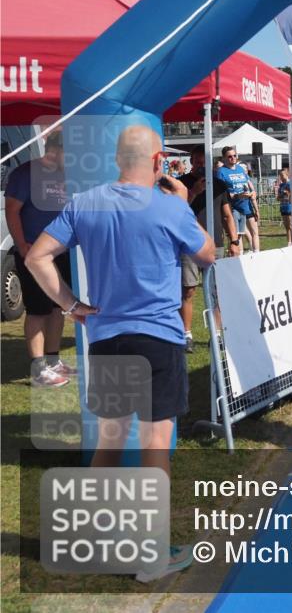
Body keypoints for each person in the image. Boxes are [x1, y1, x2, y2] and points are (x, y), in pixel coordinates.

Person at [25, 125, 215, 579]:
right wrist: (185, 204)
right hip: (159, 337)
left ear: (116, 159)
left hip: (107, 337)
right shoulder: (169, 206)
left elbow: (36, 258)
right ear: (156, 162)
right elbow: (208, 254)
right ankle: (151, 555)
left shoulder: (85, 202)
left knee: (110, 439)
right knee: (155, 443)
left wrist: (71, 305)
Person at [3, 132, 75, 387]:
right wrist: (22, 246)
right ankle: (38, 369)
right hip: (34, 254)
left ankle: (53, 361)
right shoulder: (25, 174)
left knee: (58, 308)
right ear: (53, 148)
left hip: (62, 252)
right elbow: (12, 210)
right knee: (38, 310)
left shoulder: (68, 174)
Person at [178, 148, 241, 352]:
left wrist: (234, 240)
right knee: (188, 289)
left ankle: (217, 334)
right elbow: (176, 211)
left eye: (203, 162)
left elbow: (227, 216)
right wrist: (194, 191)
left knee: (216, 292)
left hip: (216, 244)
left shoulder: (219, 184)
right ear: (191, 162)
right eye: (196, 162)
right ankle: (186, 334)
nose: (200, 165)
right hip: (189, 244)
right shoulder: (180, 184)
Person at [217, 146, 259, 253]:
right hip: (233, 208)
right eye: (229, 156)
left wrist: (253, 192)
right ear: (224, 158)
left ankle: (256, 254)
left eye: (234, 156)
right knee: (237, 236)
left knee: (255, 232)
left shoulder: (240, 168)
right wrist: (236, 196)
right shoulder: (221, 172)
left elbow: (248, 184)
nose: (233, 158)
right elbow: (220, 194)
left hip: (247, 205)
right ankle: (238, 257)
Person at [277, 168, 292, 245]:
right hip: (283, 206)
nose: (281, 177)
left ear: (287, 175)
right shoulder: (281, 185)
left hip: (289, 206)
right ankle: (289, 242)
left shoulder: (290, 183)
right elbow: (278, 198)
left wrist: (287, 193)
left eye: (282, 175)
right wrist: (281, 195)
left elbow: (291, 195)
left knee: (290, 225)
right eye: (280, 175)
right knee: (286, 226)